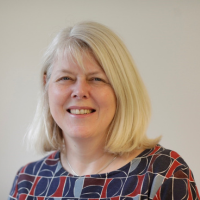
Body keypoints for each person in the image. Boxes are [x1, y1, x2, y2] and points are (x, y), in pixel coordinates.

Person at [8, 21, 199, 200]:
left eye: (96, 79)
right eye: (65, 78)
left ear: (121, 90)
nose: (80, 91)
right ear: (46, 85)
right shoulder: (27, 181)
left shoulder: (164, 174)